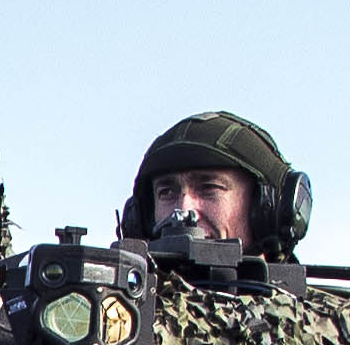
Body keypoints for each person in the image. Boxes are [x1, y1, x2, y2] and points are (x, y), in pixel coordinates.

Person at [116, 111, 310, 260]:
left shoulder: (321, 312)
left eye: (209, 188)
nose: (183, 209)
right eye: (167, 192)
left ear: (267, 209)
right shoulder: (110, 307)